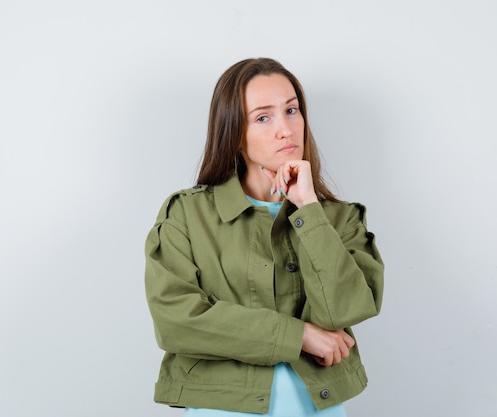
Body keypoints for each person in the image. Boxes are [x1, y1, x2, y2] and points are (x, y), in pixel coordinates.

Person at [144, 57, 384, 416]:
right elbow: (177, 321)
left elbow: (347, 309)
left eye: (292, 110)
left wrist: (307, 209)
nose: (286, 130)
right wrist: (299, 335)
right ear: (234, 133)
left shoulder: (337, 218)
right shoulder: (186, 215)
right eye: (263, 117)